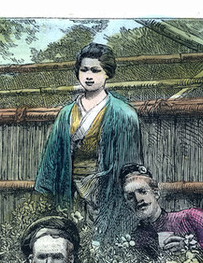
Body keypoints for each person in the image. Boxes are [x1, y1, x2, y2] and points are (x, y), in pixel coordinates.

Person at [34, 43, 142, 241]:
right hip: (69, 188)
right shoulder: (65, 114)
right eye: (84, 70)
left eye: (95, 70)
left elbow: (130, 165)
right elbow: (51, 160)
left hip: (105, 189)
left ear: (107, 73)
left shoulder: (124, 114)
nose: (89, 76)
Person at [120, 164, 203, 263]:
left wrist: (191, 247)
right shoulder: (136, 238)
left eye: (143, 191)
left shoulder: (191, 218)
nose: (138, 199)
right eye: (130, 197)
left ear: (156, 193)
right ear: (127, 204)